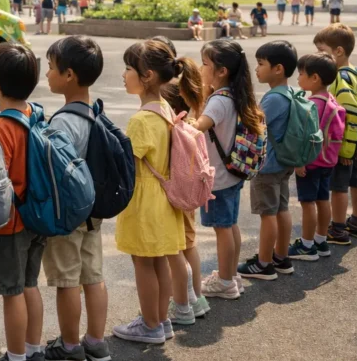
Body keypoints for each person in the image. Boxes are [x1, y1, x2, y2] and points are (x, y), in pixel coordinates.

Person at [112, 40, 196, 344]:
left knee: (143, 263)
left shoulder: (141, 120)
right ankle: (160, 320)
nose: (123, 75)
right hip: (164, 198)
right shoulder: (165, 108)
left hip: (144, 200)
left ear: (147, 76)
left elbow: (127, 164)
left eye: (128, 69)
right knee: (159, 259)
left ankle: (149, 325)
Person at [0, 43, 47, 361]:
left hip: (10, 223)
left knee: (12, 291)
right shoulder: (34, 113)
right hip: (36, 215)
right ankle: (33, 352)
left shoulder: (0, 127)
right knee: (30, 284)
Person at [41, 36, 112, 361]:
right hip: (93, 212)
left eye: (51, 67)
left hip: (69, 214)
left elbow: (54, 173)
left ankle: (69, 346)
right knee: (93, 275)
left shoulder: (62, 121)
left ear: (68, 75)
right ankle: (96, 342)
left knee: (67, 280)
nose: (47, 74)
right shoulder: (96, 112)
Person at [194, 39, 263, 300]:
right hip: (233, 173)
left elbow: (198, 126)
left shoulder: (218, 101)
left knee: (222, 229)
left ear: (221, 71)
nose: (201, 68)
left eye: (204, 64)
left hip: (218, 178)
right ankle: (231, 276)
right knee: (230, 225)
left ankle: (224, 282)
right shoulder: (235, 95)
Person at [153, 36, 209, 324]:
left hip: (175, 194)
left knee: (176, 250)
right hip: (189, 190)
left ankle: (183, 302)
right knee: (189, 245)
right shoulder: (186, 107)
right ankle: (195, 298)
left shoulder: (170, 122)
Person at [239, 41, 299, 281]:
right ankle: (281, 257)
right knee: (282, 209)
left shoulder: (273, 98)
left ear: (278, 69)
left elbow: (255, 126)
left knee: (268, 214)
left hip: (267, 166)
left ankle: (264, 264)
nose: (256, 68)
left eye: (261, 63)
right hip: (284, 163)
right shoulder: (291, 93)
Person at [288, 53, 345, 262]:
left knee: (308, 203)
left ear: (315, 78)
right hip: (327, 161)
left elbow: (304, 136)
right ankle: (321, 240)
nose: (298, 78)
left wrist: (299, 162)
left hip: (310, 162)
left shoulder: (311, 104)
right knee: (322, 200)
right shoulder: (331, 100)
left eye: (301, 74)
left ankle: (306, 245)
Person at [313, 24, 357, 245]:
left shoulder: (339, 77)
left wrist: (345, 150)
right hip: (356, 141)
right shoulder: (356, 72)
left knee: (339, 187)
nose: (318, 55)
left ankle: (338, 229)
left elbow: (351, 113)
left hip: (344, 144)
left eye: (321, 51)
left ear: (339, 51)